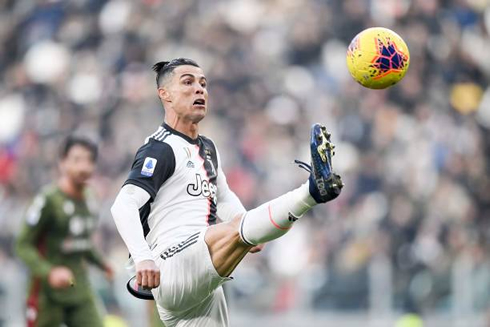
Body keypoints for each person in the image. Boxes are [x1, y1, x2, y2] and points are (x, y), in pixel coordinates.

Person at [110, 58, 343, 327]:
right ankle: (312, 191)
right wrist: (143, 257)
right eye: (187, 82)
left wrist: (251, 227)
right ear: (165, 95)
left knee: (239, 228)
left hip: (203, 279)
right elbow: (123, 205)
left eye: (203, 84)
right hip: (170, 265)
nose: (199, 89)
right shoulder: (160, 148)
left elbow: (224, 197)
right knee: (237, 230)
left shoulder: (208, 148)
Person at [16, 136, 114, 327]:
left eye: (89, 160)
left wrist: (102, 264)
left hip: (78, 286)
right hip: (46, 292)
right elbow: (22, 245)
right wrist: (49, 272)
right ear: (62, 162)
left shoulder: (91, 198)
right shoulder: (48, 201)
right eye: (77, 160)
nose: (83, 167)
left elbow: (82, 242)